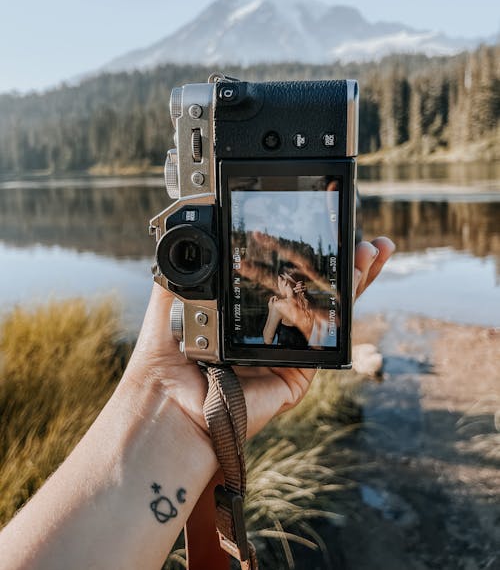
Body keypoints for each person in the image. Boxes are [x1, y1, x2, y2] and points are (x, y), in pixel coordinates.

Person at [0, 238, 394, 569]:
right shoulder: (277, 304)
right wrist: (177, 404)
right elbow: (269, 337)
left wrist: (172, 405)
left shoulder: (305, 304)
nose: (288, 287)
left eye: (293, 283)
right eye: (285, 282)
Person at [263, 269, 312, 346]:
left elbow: (267, 340)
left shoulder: (280, 306)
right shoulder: (308, 303)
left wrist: (271, 310)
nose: (278, 285)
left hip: (284, 356)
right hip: (303, 356)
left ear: (285, 282)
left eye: (278, 282)